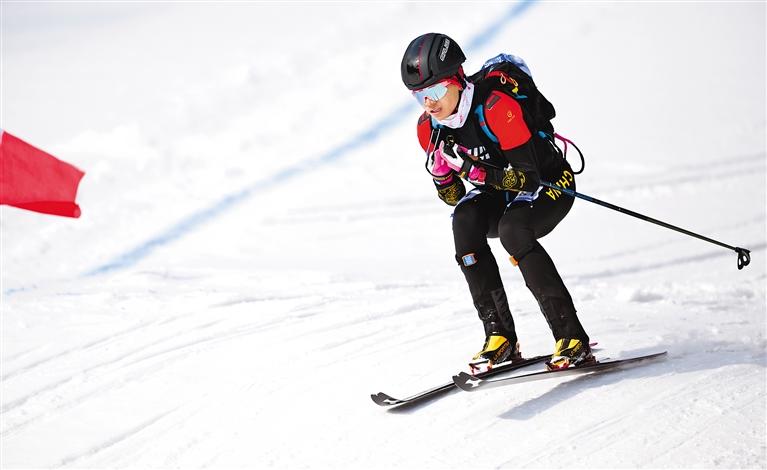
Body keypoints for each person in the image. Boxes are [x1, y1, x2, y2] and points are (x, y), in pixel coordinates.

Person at [400, 32, 592, 370]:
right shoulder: (429, 129)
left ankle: (571, 336)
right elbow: (454, 198)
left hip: (549, 181)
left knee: (513, 230)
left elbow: (528, 179)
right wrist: (442, 176)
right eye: (420, 96)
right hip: (500, 191)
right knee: (464, 221)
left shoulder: (495, 107)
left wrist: (472, 171)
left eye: (436, 91)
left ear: (457, 79)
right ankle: (499, 335)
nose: (429, 103)